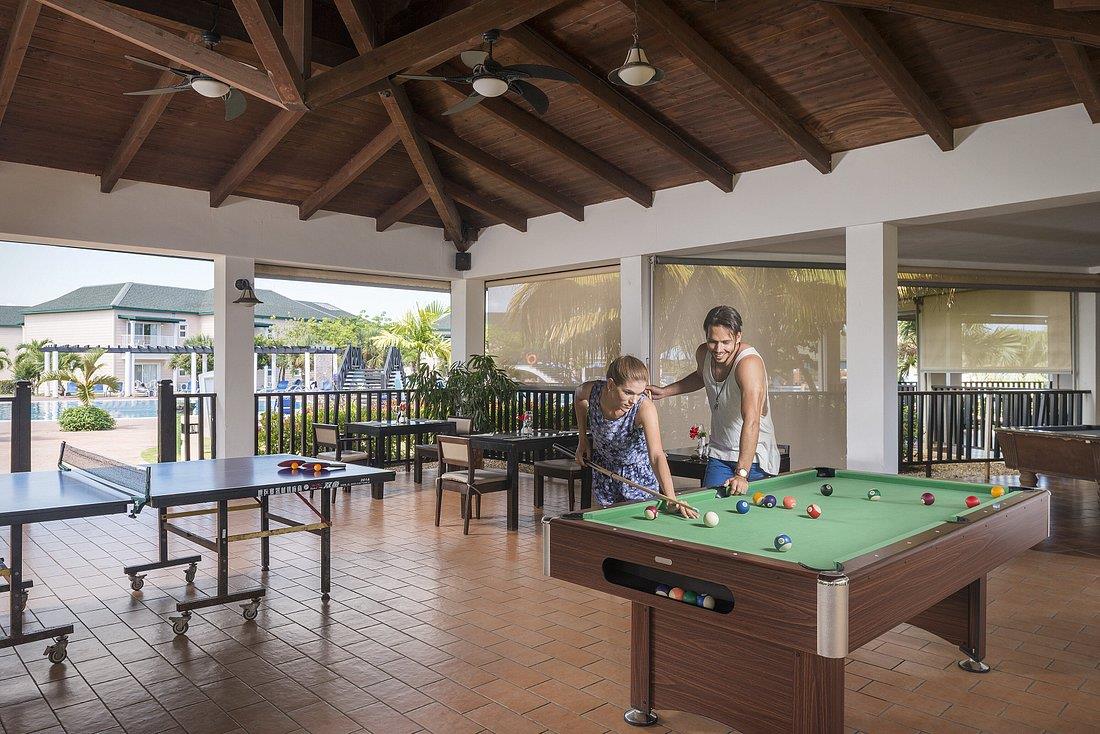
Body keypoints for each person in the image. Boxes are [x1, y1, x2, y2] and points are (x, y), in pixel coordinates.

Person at [648, 305, 781, 496]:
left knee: (753, 510)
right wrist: (665, 391)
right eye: (712, 342)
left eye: (726, 342)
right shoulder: (704, 354)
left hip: (754, 459)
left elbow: (752, 421)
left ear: (738, 337)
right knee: (709, 507)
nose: (718, 349)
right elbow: (700, 376)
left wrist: (742, 474)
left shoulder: (748, 364)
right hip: (719, 454)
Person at [574, 356, 697, 519]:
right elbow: (578, 397)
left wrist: (671, 498)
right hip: (604, 473)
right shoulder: (593, 391)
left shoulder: (644, 407)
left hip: (638, 478)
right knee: (607, 527)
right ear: (610, 385)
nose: (634, 400)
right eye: (628, 392)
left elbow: (656, 455)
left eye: (639, 393)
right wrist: (582, 439)